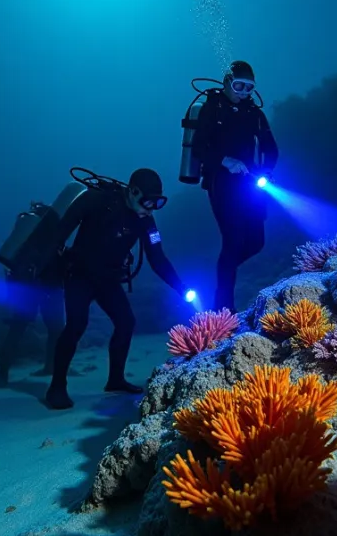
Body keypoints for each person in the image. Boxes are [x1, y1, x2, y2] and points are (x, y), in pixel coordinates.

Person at [46, 168, 190, 410]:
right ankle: (56, 387)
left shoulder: (147, 222)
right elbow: (59, 233)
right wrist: (51, 270)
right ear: (133, 192)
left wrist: (181, 288)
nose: (151, 208)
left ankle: (116, 380)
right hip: (79, 276)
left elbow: (158, 259)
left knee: (126, 322)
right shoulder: (96, 199)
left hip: (108, 280)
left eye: (158, 202)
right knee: (76, 325)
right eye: (147, 201)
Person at [190, 60, 279, 312]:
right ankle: (223, 313)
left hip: (249, 184)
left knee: (256, 242)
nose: (243, 92)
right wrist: (224, 160)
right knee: (232, 241)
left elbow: (271, 148)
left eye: (248, 87)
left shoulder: (254, 114)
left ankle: (222, 273)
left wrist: (267, 170)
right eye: (238, 85)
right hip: (221, 183)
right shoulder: (213, 109)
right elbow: (198, 148)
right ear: (228, 83)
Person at [0, 229, 66, 389]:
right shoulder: (55, 233)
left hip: (28, 287)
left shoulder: (27, 236)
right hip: (50, 288)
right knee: (55, 330)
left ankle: (2, 375)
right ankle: (49, 367)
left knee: (16, 330)